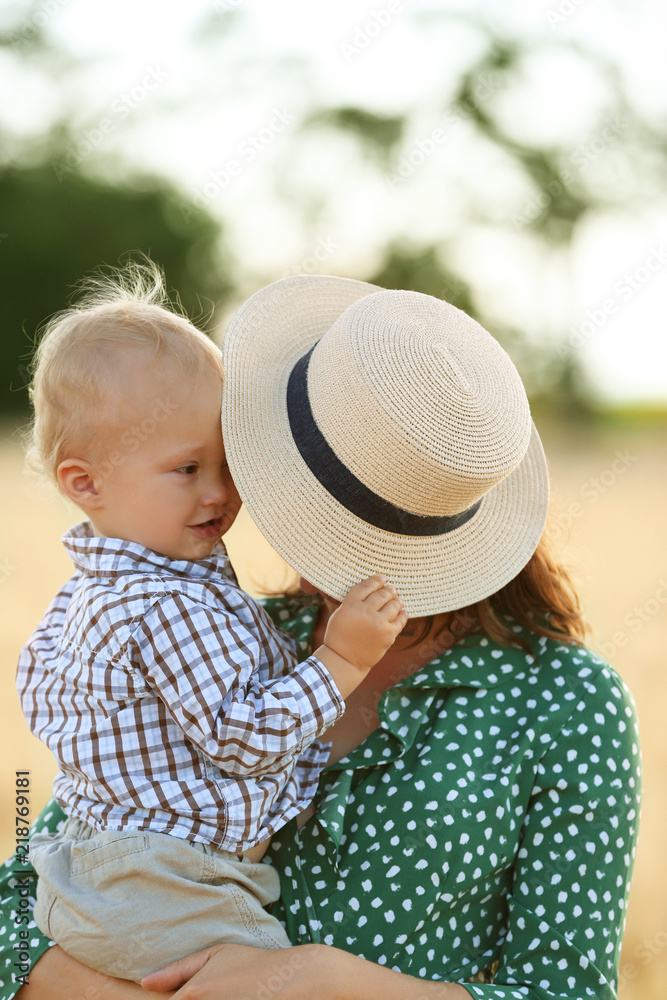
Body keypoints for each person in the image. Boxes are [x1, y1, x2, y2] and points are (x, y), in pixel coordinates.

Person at [1, 275, 640, 1000]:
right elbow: (27, 895)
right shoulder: (232, 629)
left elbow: (567, 990)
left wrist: (325, 981)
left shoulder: (564, 702)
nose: (224, 495)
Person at [11, 266, 407, 984]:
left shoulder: (97, 593)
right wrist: (339, 662)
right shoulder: (164, 602)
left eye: (227, 464)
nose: (219, 493)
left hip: (118, 874)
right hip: (167, 884)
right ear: (85, 483)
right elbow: (239, 738)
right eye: (188, 468)